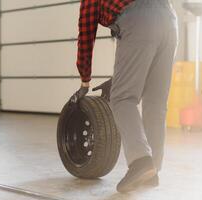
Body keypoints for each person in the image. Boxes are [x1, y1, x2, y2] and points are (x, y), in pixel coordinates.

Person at [72, 0, 178, 193]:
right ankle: (152, 170)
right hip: (169, 19)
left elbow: (86, 33)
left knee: (121, 98)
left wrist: (84, 79)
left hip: (139, 21)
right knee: (156, 103)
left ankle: (141, 161)